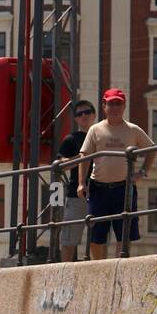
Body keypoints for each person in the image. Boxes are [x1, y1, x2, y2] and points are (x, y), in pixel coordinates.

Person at [77, 88, 153, 260]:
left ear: (124, 106)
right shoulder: (95, 129)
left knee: (124, 233)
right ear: (104, 106)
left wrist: (143, 172)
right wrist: (81, 183)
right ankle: (99, 268)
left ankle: (120, 267)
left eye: (118, 103)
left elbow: (152, 149)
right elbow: (85, 156)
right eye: (111, 104)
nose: (115, 107)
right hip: (98, 188)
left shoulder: (133, 130)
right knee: (96, 235)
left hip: (124, 188)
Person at [53, 99, 96, 262]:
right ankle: (64, 272)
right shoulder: (71, 139)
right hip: (76, 195)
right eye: (79, 114)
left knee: (98, 239)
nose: (83, 116)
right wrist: (82, 156)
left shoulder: (101, 135)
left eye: (87, 112)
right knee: (69, 238)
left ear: (94, 114)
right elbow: (59, 165)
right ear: (76, 118)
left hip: (101, 192)